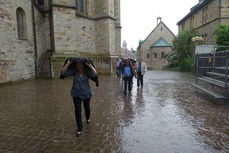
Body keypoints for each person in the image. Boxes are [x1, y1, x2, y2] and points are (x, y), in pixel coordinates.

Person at [61, 58, 98, 137]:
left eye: (81, 64)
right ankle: (79, 128)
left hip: (86, 93)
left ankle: (88, 117)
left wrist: (90, 65)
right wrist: (68, 63)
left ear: (83, 65)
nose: (79, 65)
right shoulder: (74, 71)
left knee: (86, 107)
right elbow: (63, 72)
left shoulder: (87, 71)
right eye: (78, 64)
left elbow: (95, 74)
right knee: (77, 111)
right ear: (76, 65)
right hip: (76, 93)